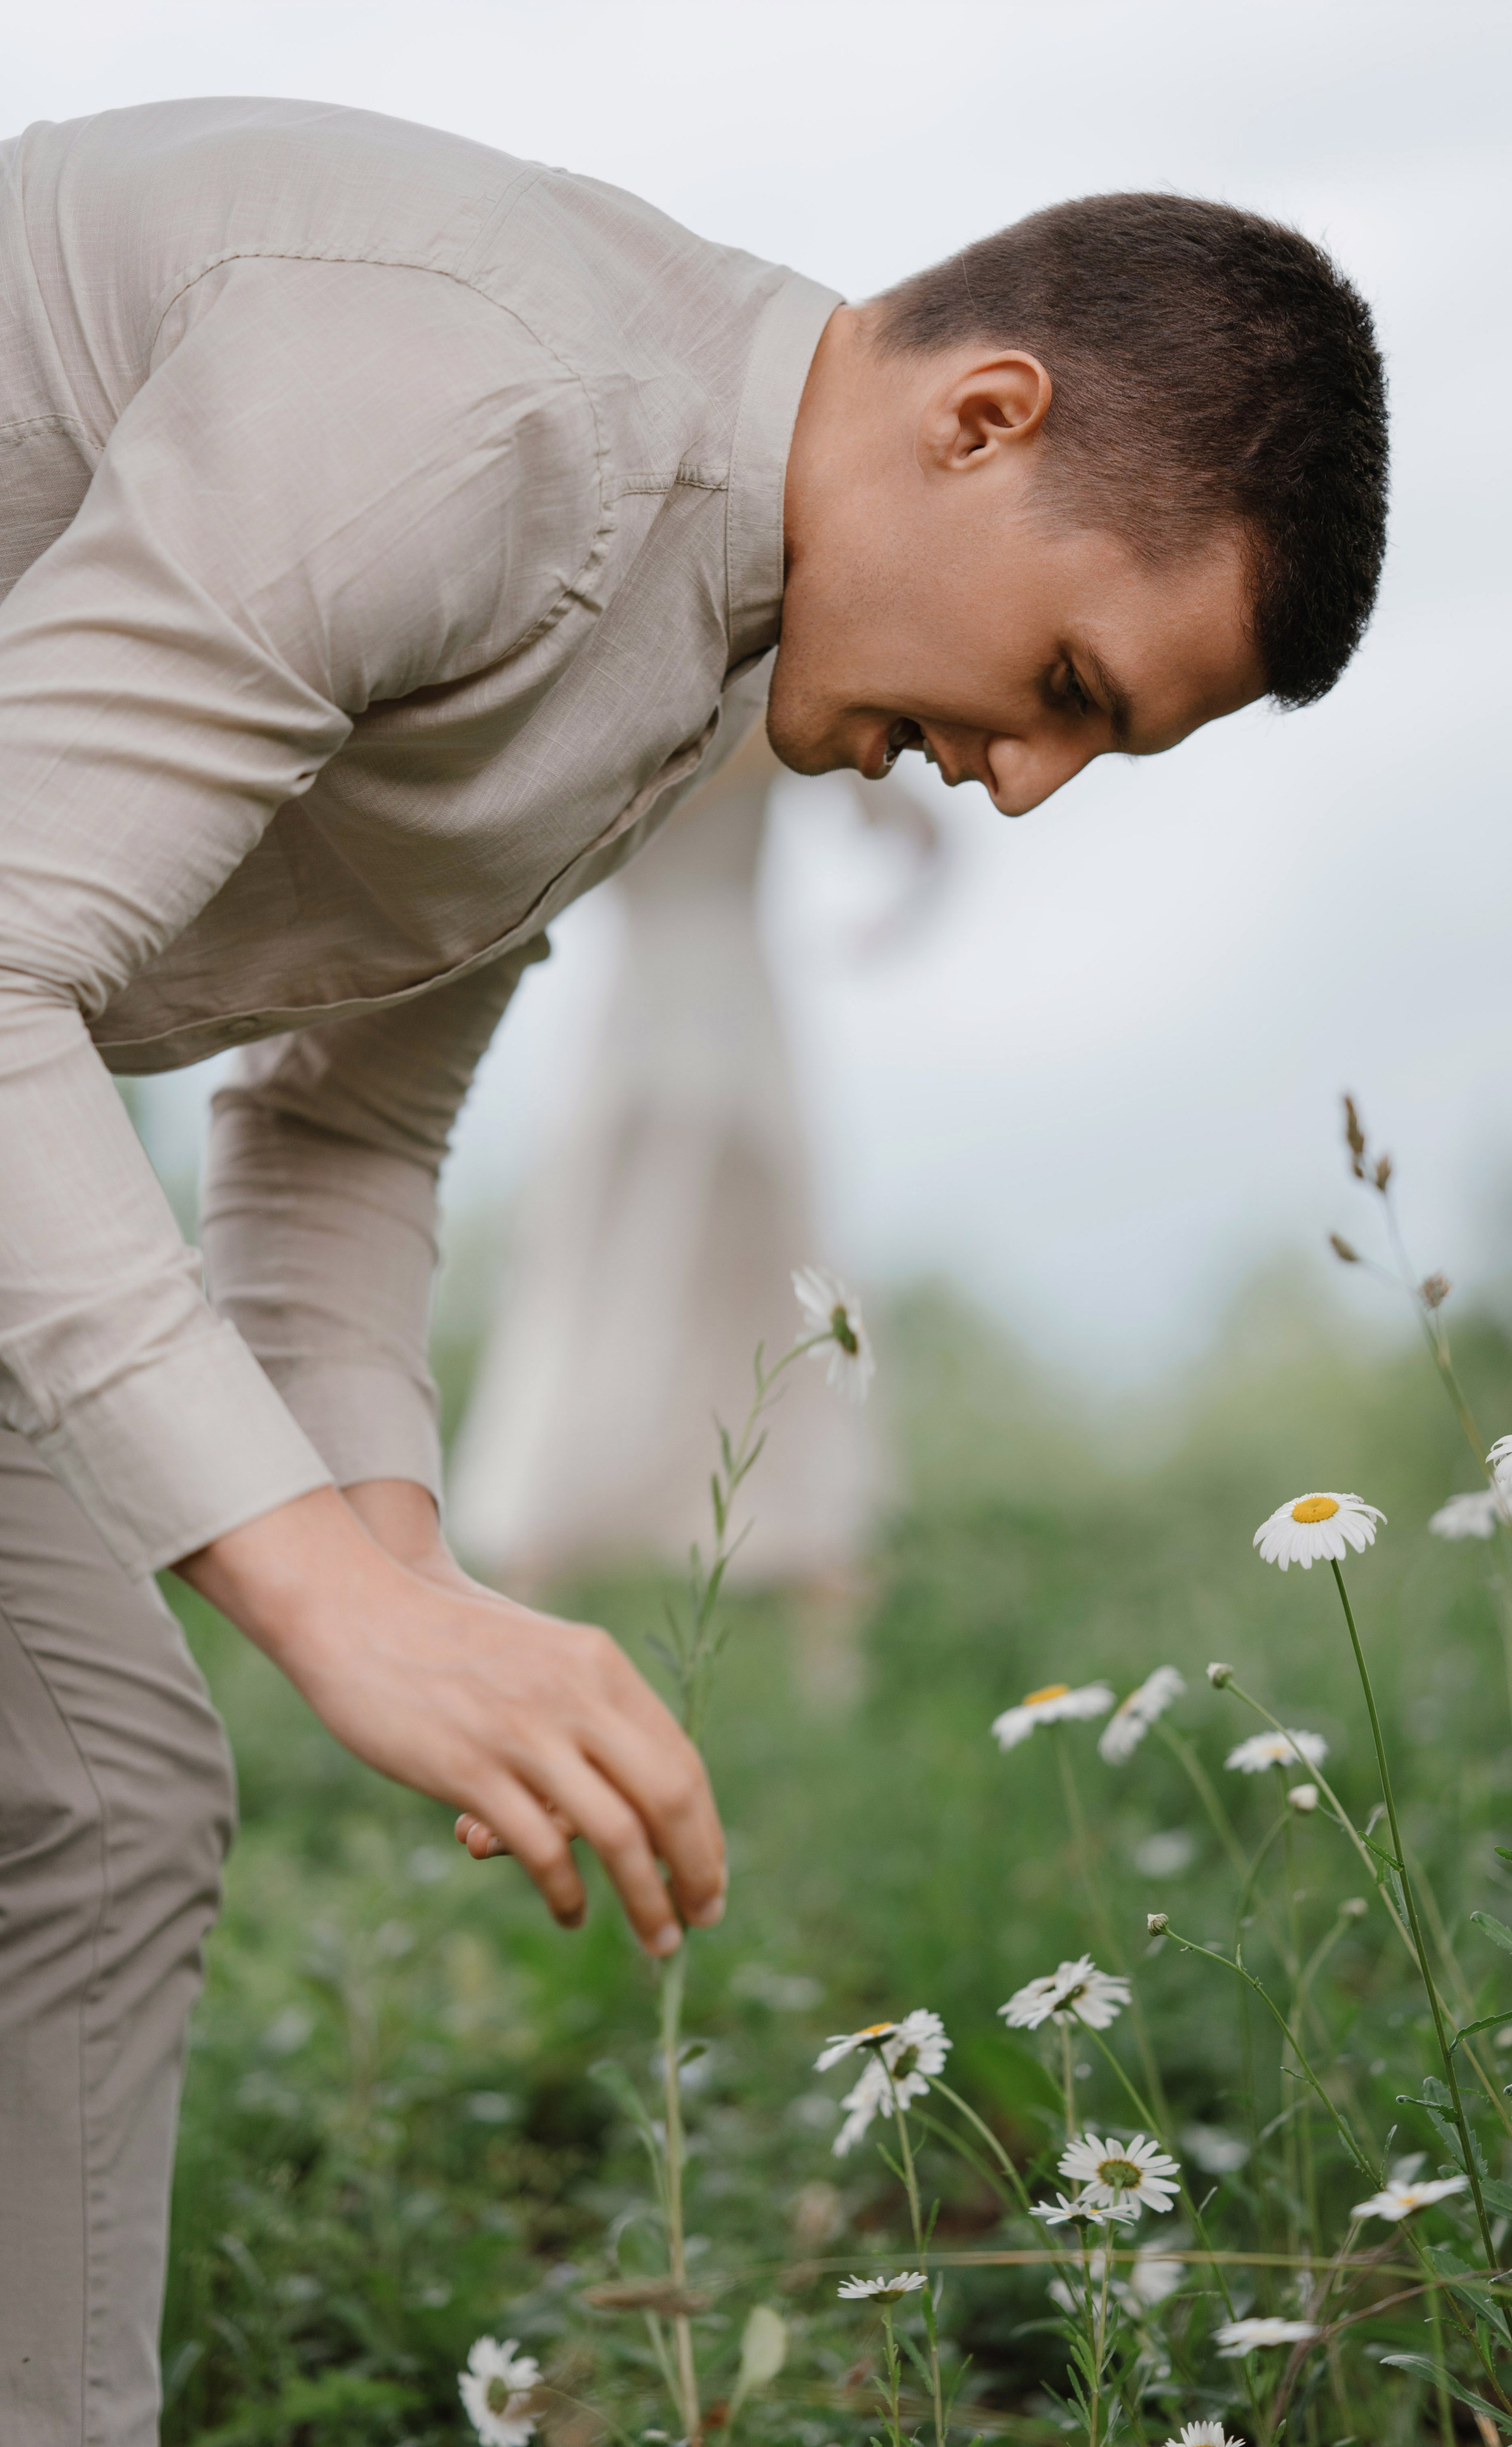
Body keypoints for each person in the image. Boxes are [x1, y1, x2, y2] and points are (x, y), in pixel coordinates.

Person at [0, 95, 1387, 2446]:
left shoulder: (709, 631)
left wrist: (414, 1576)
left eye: (1100, 750)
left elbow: (333, 1124)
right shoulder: (487, 413)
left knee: (107, 1795)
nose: (1024, 787)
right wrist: (335, 1610)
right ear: (984, 418)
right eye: (1070, 679)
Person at [446, 720, 936, 1600]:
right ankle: (532, 1567)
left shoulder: (750, 705)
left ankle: (822, 1579)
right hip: (664, 1013)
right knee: (604, 1266)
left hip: (707, 1011)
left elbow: (916, 830)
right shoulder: (751, 714)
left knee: (770, 1280)